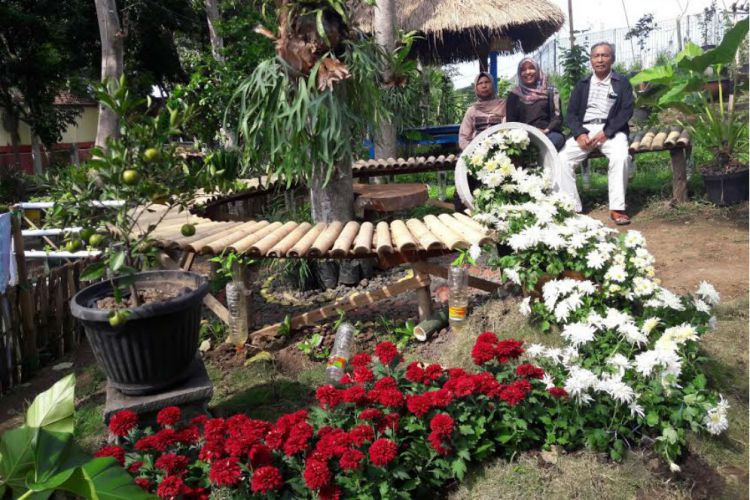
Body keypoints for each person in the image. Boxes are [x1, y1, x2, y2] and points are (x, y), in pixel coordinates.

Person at [555, 42, 634, 224]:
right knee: (562, 159)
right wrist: (579, 134)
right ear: (591, 60)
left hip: (612, 130)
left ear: (612, 59)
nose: (600, 60)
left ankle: (617, 209)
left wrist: (607, 132)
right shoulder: (582, 84)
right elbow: (571, 114)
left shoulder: (622, 82)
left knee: (621, 157)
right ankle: (572, 208)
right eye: (596, 56)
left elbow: (626, 111)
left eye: (604, 55)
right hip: (586, 130)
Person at [506, 58, 565, 151]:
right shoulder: (514, 95)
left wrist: (545, 131)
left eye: (531, 68)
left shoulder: (551, 91)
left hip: (547, 134)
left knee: (556, 139)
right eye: (523, 70)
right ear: (519, 73)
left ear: (537, 70)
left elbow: (557, 117)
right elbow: (511, 122)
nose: (528, 72)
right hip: (523, 136)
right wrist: (524, 135)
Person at [458, 72, 506, 150]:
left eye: (487, 82)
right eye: (480, 83)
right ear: (476, 87)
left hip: (501, 149)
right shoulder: (472, 110)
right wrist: (472, 151)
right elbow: (464, 137)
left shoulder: (504, 106)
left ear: (492, 85)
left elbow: (510, 129)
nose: (484, 86)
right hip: (477, 152)